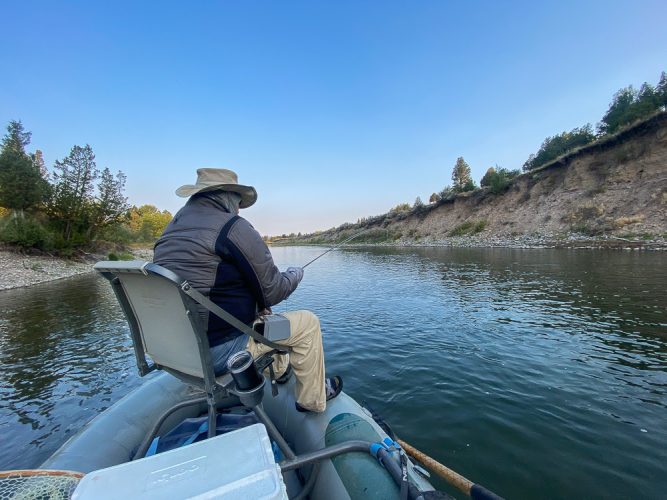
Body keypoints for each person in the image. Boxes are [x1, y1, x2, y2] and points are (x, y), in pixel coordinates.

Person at [153, 168, 342, 413]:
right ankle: (312, 400)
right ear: (227, 196)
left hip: (175, 351)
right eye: (238, 201)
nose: (239, 208)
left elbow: (205, 287)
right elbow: (274, 290)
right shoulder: (232, 226)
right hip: (218, 353)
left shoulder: (170, 232)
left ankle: (281, 371)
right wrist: (296, 274)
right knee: (307, 323)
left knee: (263, 315)